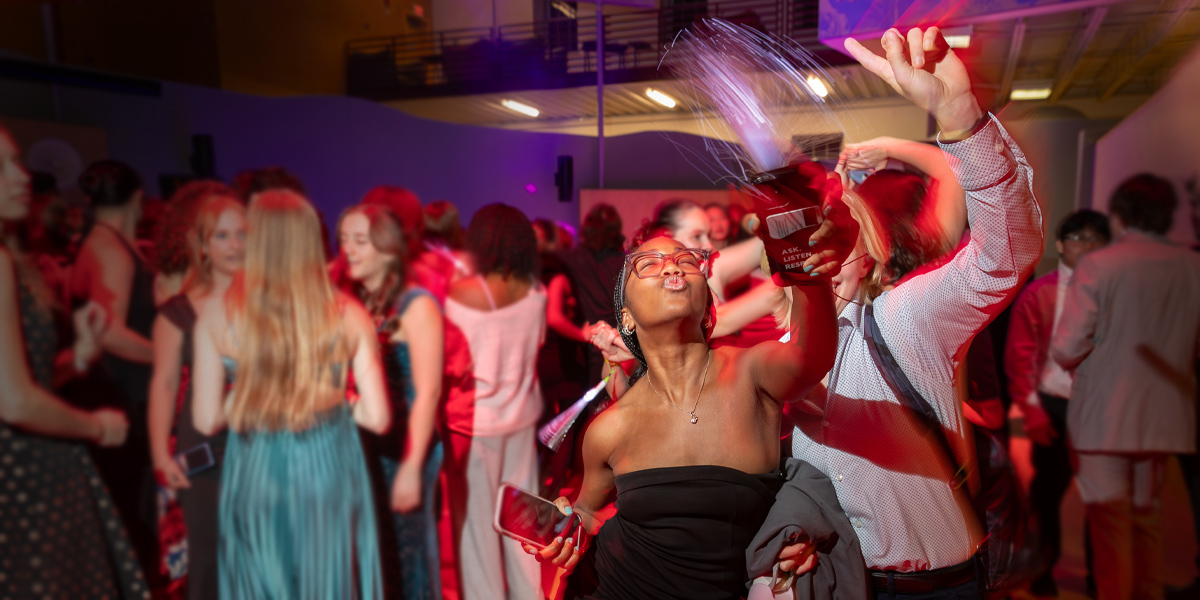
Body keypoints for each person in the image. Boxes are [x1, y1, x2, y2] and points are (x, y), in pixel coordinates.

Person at [785, 26, 1042, 599]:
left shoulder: (904, 316)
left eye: (833, 220)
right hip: (837, 584)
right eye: (796, 228)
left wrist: (960, 118)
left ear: (870, 246)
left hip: (931, 586)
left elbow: (1007, 254)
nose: (813, 238)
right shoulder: (773, 354)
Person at [528, 173, 856, 599]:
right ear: (626, 317)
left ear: (707, 303)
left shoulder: (751, 372)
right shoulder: (609, 429)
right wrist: (566, 530)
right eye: (648, 263)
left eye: (686, 260)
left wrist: (808, 271)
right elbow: (589, 512)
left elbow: (811, 357)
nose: (671, 265)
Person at [190, 189, 391, 599]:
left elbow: (207, 420)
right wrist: (338, 400)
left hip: (257, 470)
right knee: (329, 582)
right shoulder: (349, 314)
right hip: (328, 468)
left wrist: (251, 392)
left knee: (263, 582)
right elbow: (378, 418)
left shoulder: (214, 315)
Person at [0, 123, 150, 599]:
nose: (22, 176)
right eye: (2, 166)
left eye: (17, 160)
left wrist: (78, 356)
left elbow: (23, 380)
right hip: (25, 472)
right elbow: (15, 401)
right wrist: (96, 427)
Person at [1052, 174, 1200, 600]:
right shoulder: (1191, 265)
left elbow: (1067, 347)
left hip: (1105, 414)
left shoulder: (1100, 265)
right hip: (1164, 414)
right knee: (1147, 518)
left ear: (1118, 216)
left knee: (1111, 527)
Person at [338, 203, 445, 600]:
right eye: (344, 239)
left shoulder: (416, 304)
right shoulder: (357, 302)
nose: (347, 249)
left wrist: (411, 467)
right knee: (382, 557)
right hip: (368, 448)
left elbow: (428, 393)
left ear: (386, 247)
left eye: (360, 241)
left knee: (411, 555)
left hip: (407, 451)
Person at [441, 204, 548, 600]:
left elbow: (451, 362)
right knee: (520, 525)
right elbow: (534, 348)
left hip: (473, 425)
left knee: (477, 532)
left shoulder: (461, 293)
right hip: (519, 420)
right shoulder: (536, 294)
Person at [147, 185, 245, 600]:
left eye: (241, 233)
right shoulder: (178, 311)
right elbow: (164, 385)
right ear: (202, 245)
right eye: (221, 236)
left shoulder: (270, 303)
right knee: (208, 557)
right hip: (203, 449)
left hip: (264, 443)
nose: (233, 244)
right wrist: (158, 454)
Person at [68, 159, 163, 586]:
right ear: (138, 199)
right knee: (132, 514)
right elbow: (111, 335)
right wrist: (173, 355)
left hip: (128, 393)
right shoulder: (107, 249)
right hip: (122, 397)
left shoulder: (113, 242)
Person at [1005, 209, 1110, 597]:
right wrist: (1030, 408)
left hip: (1100, 409)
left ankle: (1102, 579)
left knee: (1102, 499)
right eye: (1079, 237)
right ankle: (1044, 570)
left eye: (1097, 239)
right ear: (1062, 245)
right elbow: (1020, 356)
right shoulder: (1040, 293)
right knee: (1047, 496)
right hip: (1053, 406)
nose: (1089, 246)